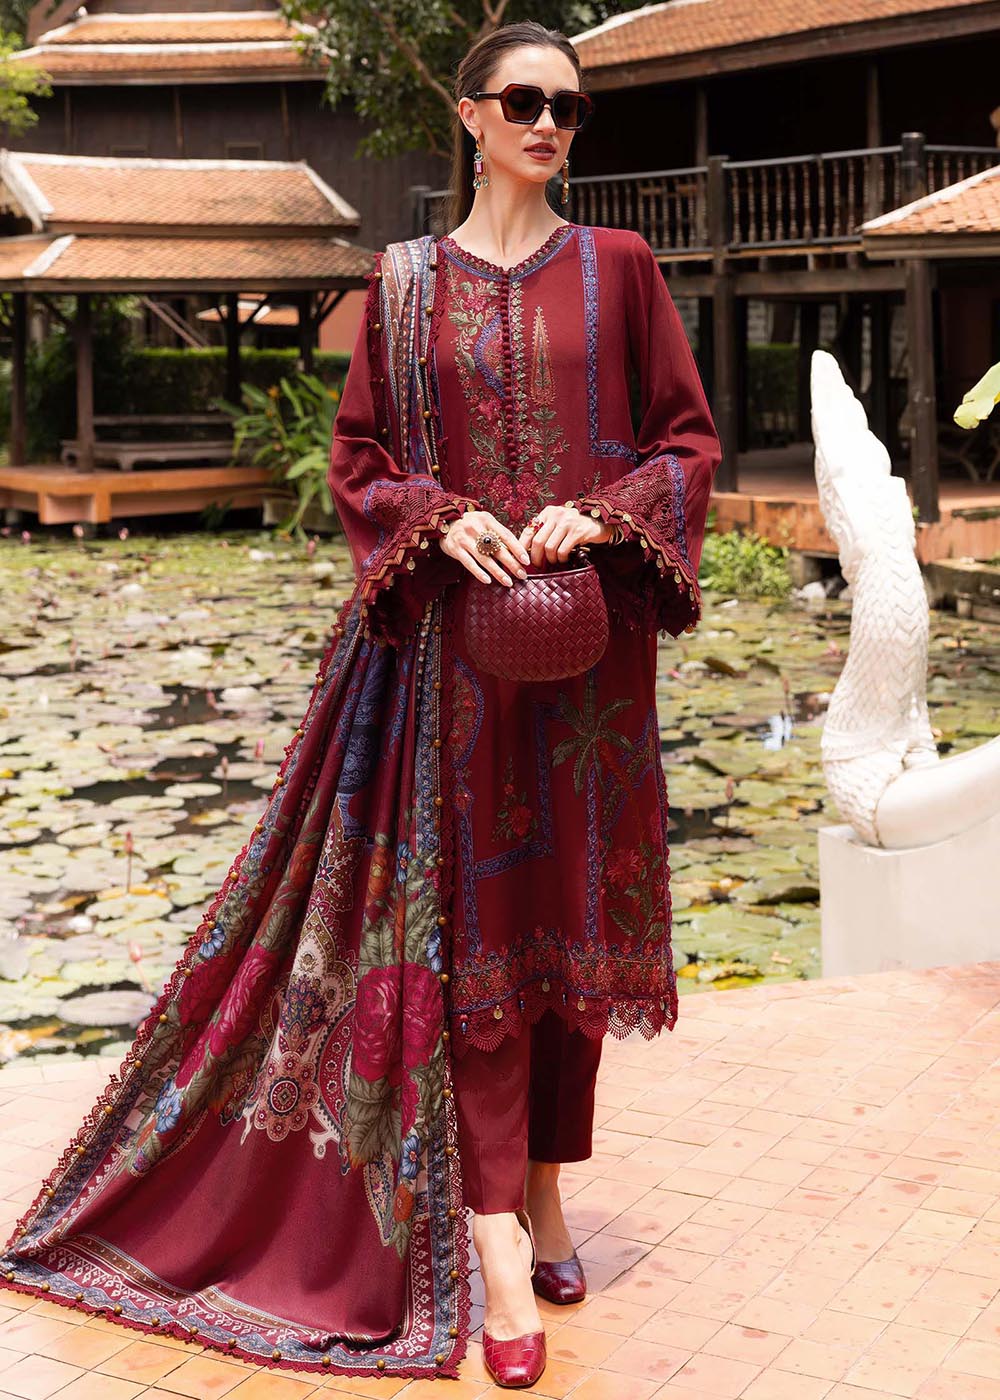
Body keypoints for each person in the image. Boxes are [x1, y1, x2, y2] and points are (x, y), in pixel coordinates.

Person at [0, 18, 720, 1393]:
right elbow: (361, 459)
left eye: (570, 107)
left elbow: (686, 442)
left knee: (574, 930)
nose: (549, 124)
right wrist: (441, 519)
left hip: (590, 665)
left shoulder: (621, 268)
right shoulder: (403, 285)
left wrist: (598, 513)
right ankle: (496, 1244)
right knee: (487, 941)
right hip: (453, 666)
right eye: (524, 101)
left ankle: (549, 1189)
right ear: (469, 115)